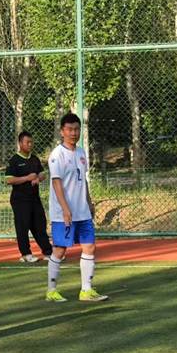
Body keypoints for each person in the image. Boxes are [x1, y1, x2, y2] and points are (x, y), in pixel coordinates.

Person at [46, 112, 108, 303]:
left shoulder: (81, 153)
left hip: (82, 212)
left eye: (76, 129)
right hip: (63, 213)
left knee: (89, 246)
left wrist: (89, 202)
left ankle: (86, 291)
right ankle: (51, 291)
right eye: (70, 129)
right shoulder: (57, 155)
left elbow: (84, 181)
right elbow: (56, 183)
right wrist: (65, 209)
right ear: (62, 131)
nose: (74, 133)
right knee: (60, 250)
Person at [5, 131, 53, 263]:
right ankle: (26, 254)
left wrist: (38, 178)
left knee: (40, 224)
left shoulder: (35, 159)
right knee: (23, 226)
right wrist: (27, 178)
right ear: (20, 143)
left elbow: (42, 174)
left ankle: (48, 252)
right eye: (27, 142)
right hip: (20, 199)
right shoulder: (14, 160)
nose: (30, 144)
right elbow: (9, 180)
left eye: (31, 142)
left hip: (34, 198)